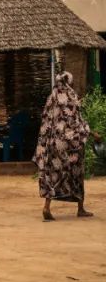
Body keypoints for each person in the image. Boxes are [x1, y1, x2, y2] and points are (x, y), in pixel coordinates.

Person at [34, 72, 96, 221]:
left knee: (53, 175)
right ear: (69, 82)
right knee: (76, 173)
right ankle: (80, 209)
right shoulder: (71, 98)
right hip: (71, 145)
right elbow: (75, 122)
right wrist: (91, 133)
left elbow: (46, 122)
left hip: (52, 145)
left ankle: (46, 207)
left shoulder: (52, 98)